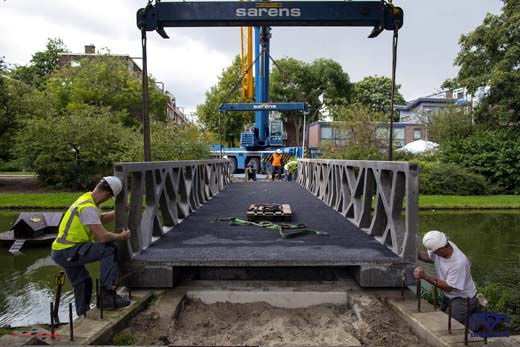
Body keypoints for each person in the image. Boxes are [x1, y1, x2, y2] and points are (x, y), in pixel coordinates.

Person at [51, 176, 131, 316]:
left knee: (83, 282)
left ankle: (83, 315)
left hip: (62, 251)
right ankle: (107, 295)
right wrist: (121, 237)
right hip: (68, 250)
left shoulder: (87, 199)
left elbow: (97, 220)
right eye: (108, 198)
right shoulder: (88, 208)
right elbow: (103, 237)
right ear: (107, 194)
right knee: (109, 249)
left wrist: (117, 212)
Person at [414, 230, 478, 324]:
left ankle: (481, 320)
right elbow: (429, 257)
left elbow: (449, 288)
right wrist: (415, 253)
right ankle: (469, 313)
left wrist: (425, 276)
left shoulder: (459, 263)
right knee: (442, 317)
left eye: (435, 252)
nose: (434, 254)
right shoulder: (442, 244)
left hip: (462, 298)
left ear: (441, 249)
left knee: (449, 324)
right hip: (449, 296)